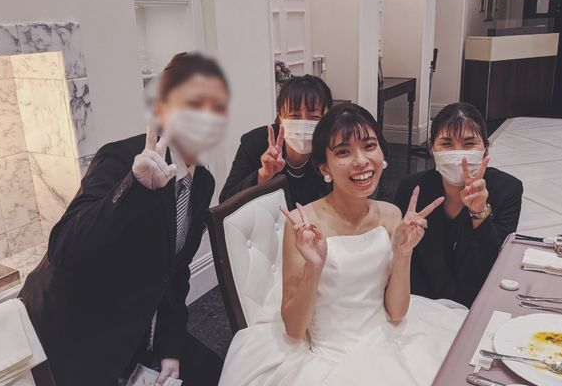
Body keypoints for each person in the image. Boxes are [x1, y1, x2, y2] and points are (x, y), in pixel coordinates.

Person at [218, 103, 467, 386]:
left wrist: (403, 253)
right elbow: (295, 331)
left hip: (386, 339)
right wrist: (314, 268)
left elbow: (397, 313)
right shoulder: (303, 224)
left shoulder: (391, 215)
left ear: (383, 154)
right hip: (327, 358)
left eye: (369, 146)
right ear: (324, 167)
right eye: (343, 152)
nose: (361, 161)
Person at [19, 52, 228, 386]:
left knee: (218, 374)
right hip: (70, 330)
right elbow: (63, 248)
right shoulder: (120, 160)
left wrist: (170, 346)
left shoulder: (202, 183)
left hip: (138, 326)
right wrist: (135, 187)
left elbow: (175, 273)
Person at [394, 102, 523, 308]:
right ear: (431, 149)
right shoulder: (412, 189)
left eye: (469, 143)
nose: (459, 154)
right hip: (421, 302)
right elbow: (404, 260)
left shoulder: (507, 190)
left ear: (486, 148)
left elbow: (494, 263)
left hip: (477, 303)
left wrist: (479, 213)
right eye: (446, 144)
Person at [219, 75, 333, 205]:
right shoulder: (254, 143)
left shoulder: (331, 149)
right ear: (280, 117)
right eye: (294, 116)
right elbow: (226, 201)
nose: (303, 123)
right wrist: (263, 175)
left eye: (314, 117)